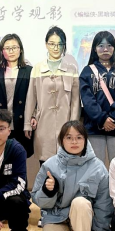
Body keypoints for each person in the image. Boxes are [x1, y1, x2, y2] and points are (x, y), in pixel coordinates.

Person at [32, 121, 114, 231]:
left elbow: (104, 205)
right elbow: (38, 201)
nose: (74, 142)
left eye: (79, 137)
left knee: (80, 202)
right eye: (69, 137)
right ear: (62, 140)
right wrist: (48, 191)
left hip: (84, 219)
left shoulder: (98, 167)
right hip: (57, 217)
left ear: (85, 139)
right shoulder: (50, 165)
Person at [24, 26, 81, 164]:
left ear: (64, 46)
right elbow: (31, 97)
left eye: (60, 44)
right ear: (46, 44)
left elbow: (75, 101)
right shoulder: (38, 68)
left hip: (65, 123)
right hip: (43, 124)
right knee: (46, 165)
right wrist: (27, 123)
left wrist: (74, 125)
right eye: (52, 44)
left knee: (67, 164)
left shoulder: (71, 68)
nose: (56, 48)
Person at [80, 30, 115, 164]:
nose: (105, 49)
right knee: (95, 167)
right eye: (101, 45)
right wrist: (102, 119)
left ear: (114, 48)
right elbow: (87, 100)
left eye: (109, 45)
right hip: (94, 128)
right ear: (94, 48)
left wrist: (113, 119)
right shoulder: (87, 72)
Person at [0, 34, 34, 157]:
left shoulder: (29, 71)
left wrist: (33, 116)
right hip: (2, 122)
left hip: (22, 122)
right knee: (2, 159)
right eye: (7, 48)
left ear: (20, 50)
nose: (11, 51)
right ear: (2, 51)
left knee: (20, 157)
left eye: (14, 47)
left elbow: (34, 97)